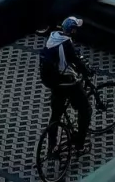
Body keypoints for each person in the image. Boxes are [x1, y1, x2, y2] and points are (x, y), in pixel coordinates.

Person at [39, 17, 92, 154]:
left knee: (55, 115)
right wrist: (87, 71)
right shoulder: (67, 43)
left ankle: (52, 146)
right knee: (85, 110)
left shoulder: (53, 37)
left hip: (52, 82)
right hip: (66, 82)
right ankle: (79, 145)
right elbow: (75, 61)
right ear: (72, 30)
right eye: (76, 28)